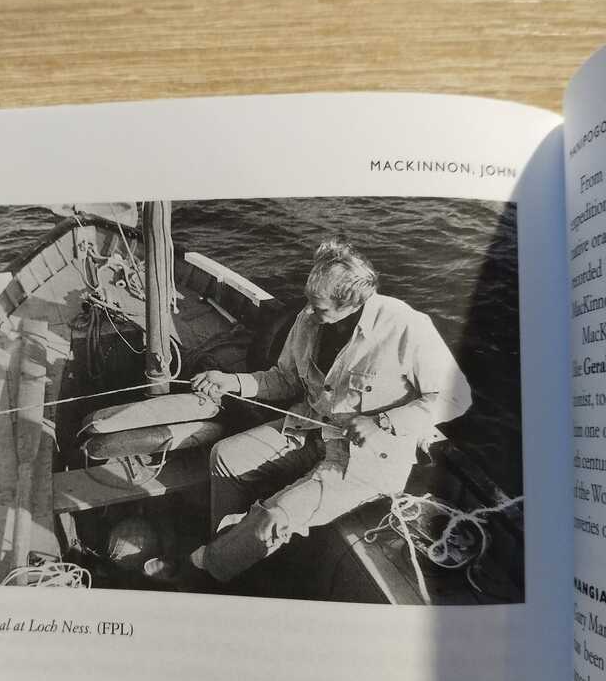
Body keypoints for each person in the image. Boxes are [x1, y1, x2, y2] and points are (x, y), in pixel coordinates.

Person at [188, 239, 472, 582]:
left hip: (366, 460)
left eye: (319, 307)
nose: (309, 312)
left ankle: (208, 568)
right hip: (308, 429)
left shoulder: (408, 327)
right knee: (225, 456)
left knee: (276, 515)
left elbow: (457, 397)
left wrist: (382, 421)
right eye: (309, 301)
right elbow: (285, 380)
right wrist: (230, 381)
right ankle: (229, 548)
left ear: (353, 301)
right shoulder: (309, 318)